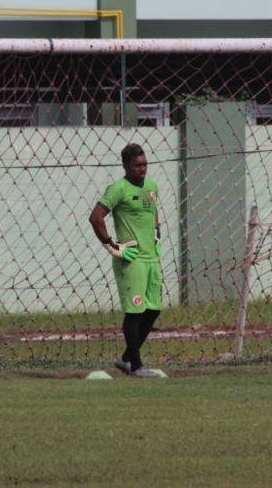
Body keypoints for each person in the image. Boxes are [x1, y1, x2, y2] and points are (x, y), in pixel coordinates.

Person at [89, 143, 163, 378]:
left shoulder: (152, 187)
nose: (142, 169)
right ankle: (136, 366)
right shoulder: (118, 189)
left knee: (153, 310)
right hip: (132, 260)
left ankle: (126, 359)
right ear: (125, 166)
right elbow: (95, 217)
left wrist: (156, 235)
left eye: (144, 164)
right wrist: (112, 246)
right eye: (137, 166)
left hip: (151, 258)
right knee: (135, 312)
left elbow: (153, 213)